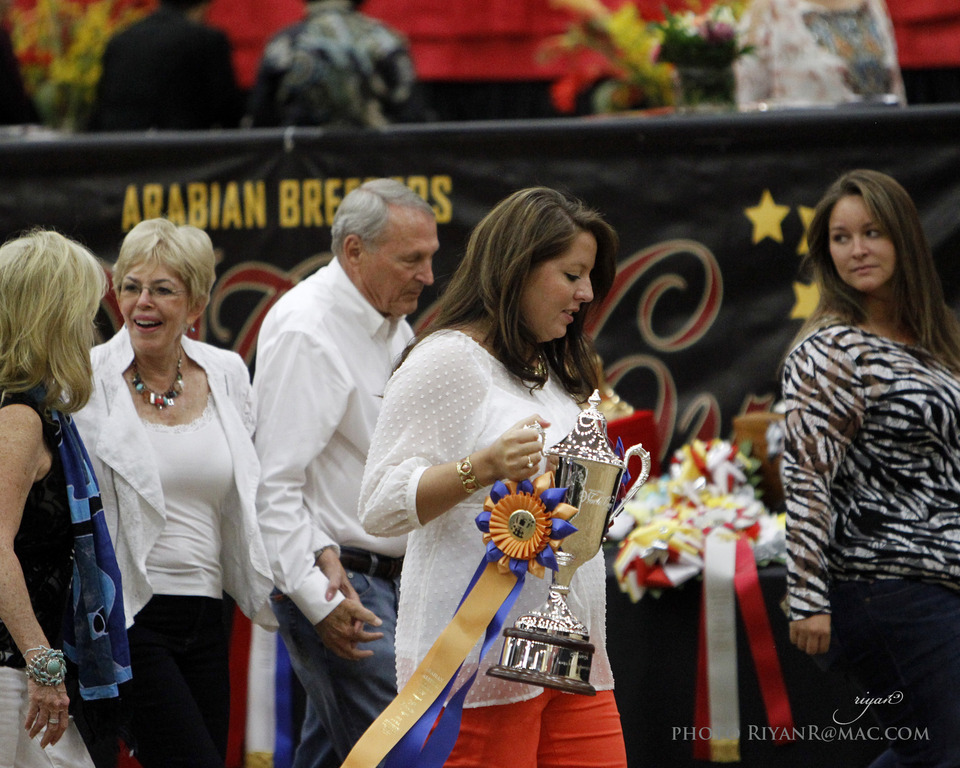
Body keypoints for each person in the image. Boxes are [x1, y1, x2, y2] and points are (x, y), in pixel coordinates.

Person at [359, 186, 627, 767]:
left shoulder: (553, 367)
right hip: (475, 659)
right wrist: (482, 467)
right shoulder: (450, 359)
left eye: (588, 279)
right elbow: (379, 503)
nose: (585, 294)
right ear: (518, 269)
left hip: (570, 647)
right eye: (572, 274)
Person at [74, 219, 274, 768]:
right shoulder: (87, 380)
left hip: (213, 614)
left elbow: (255, 494)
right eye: (132, 286)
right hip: (131, 615)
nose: (143, 303)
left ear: (196, 303)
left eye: (163, 289)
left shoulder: (228, 372)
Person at [253, 178, 438, 766]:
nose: (428, 276)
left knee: (333, 756)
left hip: (392, 582)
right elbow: (271, 484)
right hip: (346, 589)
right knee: (412, 753)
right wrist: (319, 601)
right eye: (413, 259)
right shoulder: (307, 330)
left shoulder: (390, 322)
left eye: (430, 257)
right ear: (354, 251)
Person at [781, 169, 960, 766]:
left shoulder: (938, 341)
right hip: (883, 585)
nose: (856, 250)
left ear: (904, 238)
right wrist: (806, 598)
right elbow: (805, 477)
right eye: (841, 237)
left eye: (873, 232)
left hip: (943, 577)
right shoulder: (830, 350)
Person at [1, 230, 129, 767]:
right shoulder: (21, 420)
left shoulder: (42, 415)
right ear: (51, 317)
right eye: (83, 310)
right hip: (14, 680)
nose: (91, 327)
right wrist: (43, 667)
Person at [247, 0, 423, 128]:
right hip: (377, 162)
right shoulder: (386, 39)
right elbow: (412, 115)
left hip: (299, 167)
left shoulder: (283, 43)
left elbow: (261, 119)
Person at [89, 0, 244, 131]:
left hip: (118, 156)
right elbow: (229, 115)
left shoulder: (120, 41)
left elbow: (100, 111)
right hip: (181, 159)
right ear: (205, 5)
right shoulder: (208, 41)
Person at [735, 0, 906, 108]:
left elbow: (896, 95)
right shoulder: (769, 9)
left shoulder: (872, 5)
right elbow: (745, 105)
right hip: (802, 153)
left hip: (873, 154)